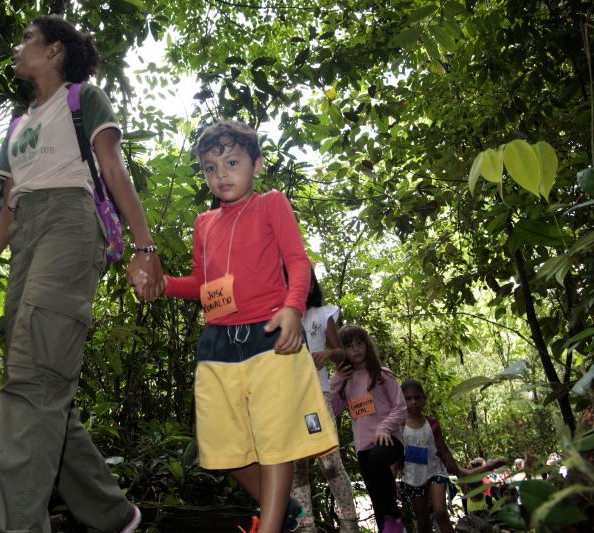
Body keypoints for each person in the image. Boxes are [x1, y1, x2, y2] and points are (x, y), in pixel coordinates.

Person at [0, 15, 163, 533]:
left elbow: (113, 170)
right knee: (38, 374)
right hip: (28, 235)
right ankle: (114, 515)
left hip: (72, 226)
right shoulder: (18, 124)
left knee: (31, 374)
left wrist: (144, 247)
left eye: (28, 39)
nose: (18, 46)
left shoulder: (82, 99)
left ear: (54, 52)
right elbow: (8, 207)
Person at [137, 120, 339, 533]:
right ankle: (279, 515)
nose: (221, 174)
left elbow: (298, 262)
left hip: (270, 337)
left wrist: (293, 309)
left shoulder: (271, 204)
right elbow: (200, 284)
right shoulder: (203, 224)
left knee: (276, 444)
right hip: (218, 345)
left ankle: (267, 528)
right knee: (223, 451)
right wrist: (161, 285)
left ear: (257, 165)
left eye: (231, 162)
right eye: (211, 167)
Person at [290, 271, 359, 533]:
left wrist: (328, 353)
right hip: (290, 400)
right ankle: (305, 525)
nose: (301, 286)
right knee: (298, 466)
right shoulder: (283, 315)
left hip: (317, 395)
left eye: (306, 282)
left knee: (330, 462)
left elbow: (341, 352)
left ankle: (349, 523)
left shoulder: (322, 314)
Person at [399, 379, 506, 533]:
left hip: (435, 472)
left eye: (417, 397)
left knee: (441, 513)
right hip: (412, 477)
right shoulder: (399, 426)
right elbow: (395, 457)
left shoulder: (432, 424)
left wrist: (484, 468)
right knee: (422, 522)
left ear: (424, 399)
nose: (413, 402)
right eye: (408, 398)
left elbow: (445, 451)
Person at [329, 325, 406, 533]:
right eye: (349, 345)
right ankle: (389, 526)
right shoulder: (345, 381)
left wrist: (384, 428)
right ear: (342, 351)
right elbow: (330, 411)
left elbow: (401, 407)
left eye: (359, 342)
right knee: (375, 494)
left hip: (389, 440)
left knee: (377, 460)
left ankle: (394, 517)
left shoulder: (382, 375)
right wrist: (337, 379)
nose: (356, 349)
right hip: (364, 447)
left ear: (367, 345)